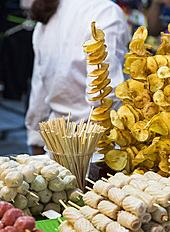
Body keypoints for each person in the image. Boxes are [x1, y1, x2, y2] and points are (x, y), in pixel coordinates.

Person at [25, 0, 131, 155]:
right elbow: (104, 94)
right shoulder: (106, 11)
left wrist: (36, 137)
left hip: (57, 143)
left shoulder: (51, 12)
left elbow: (39, 90)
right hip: (95, 148)